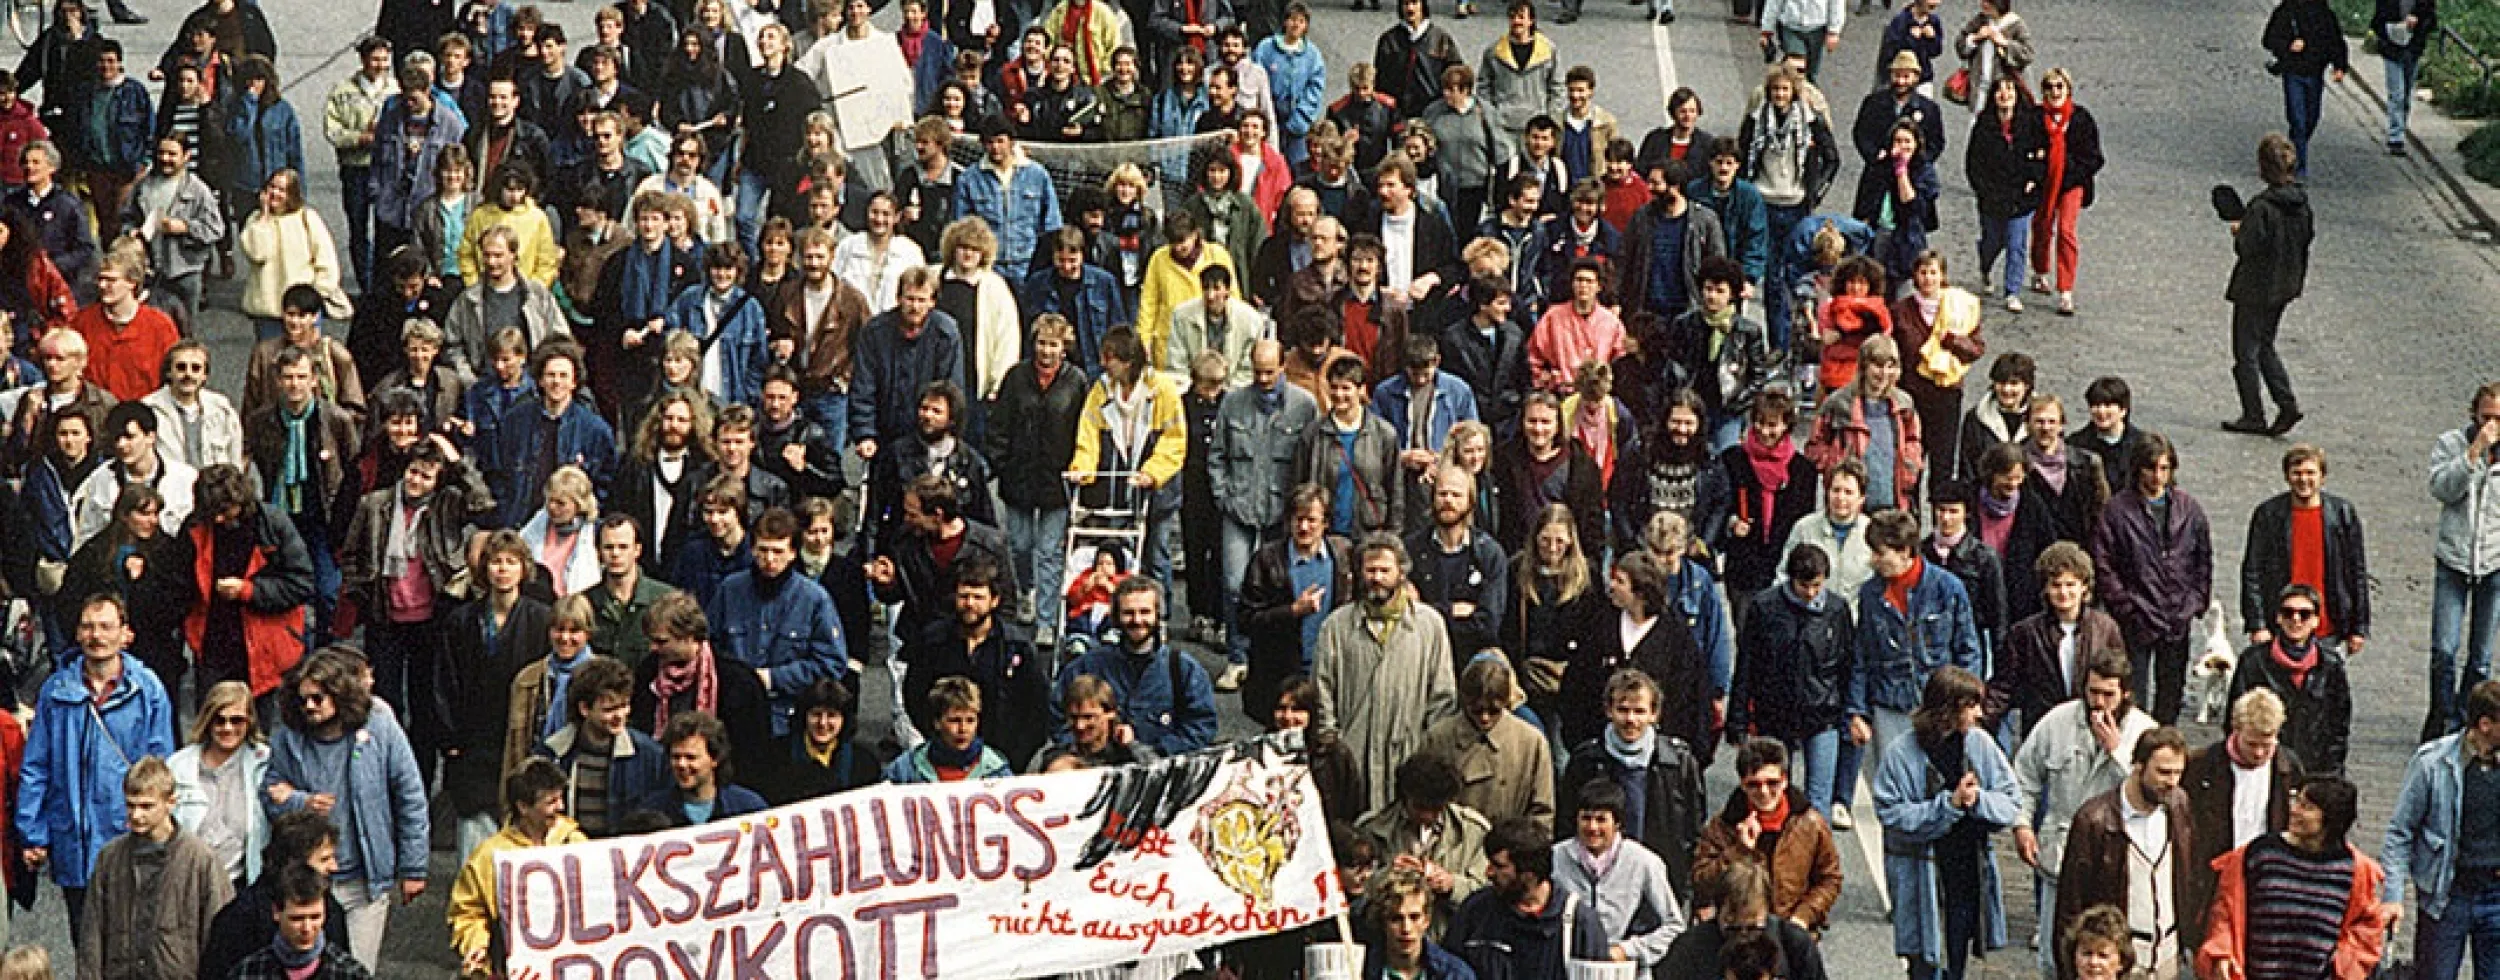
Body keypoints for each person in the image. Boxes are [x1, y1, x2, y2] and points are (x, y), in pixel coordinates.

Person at [18, 594, 175, 938]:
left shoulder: (147, 690)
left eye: (106, 626)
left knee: (131, 942)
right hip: (74, 841)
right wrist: (32, 833)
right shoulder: (56, 691)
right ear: (76, 633)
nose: (96, 636)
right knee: (85, 942)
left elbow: (162, 769)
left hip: (128, 838)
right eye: (88, 626)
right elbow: (36, 766)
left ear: (124, 634)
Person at [262, 646, 429, 967]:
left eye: (318, 698)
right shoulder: (289, 738)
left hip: (363, 880)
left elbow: (409, 796)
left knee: (356, 969)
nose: (308, 706)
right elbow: (270, 794)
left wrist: (414, 867)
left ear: (340, 695)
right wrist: (301, 802)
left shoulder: (379, 727)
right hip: (307, 880)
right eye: (302, 699)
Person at [1871, 667, 2017, 980]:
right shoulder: (1901, 754)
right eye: (1971, 706)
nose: (1979, 714)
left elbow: (2010, 801)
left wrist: (1977, 800)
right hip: (1922, 876)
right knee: (1925, 966)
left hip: (1966, 873)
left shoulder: (1980, 745)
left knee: (1956, 960)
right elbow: (1891, 814)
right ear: (1949, 710)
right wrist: (1947, 806)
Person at [1314, 533, 1458, 815]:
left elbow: (1443, 695)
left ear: (1401, 573)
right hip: (1353, 762)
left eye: (1384, 570)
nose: (1376, 577)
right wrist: (1333, 742)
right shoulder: (1336, 627)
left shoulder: (1429, 626)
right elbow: (1322, 689)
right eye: (1370, 570)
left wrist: (1427, 753)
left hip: (1408, 758)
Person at [2199, 774, 2389, 980]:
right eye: (2296, 800)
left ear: (2331, 819)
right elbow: (2225, 911)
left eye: (2306, 807)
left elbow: (2368, 927)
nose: (2294, 810)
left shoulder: (2354, 869)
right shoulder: (2259, 854)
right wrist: (2223, 953)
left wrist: (2343, 966)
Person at [2051, 725, 2195, 979]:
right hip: (2116, 960)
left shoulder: (2178, 804)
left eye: (2178, 773)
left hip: (2166, 956)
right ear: (2138, 766)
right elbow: (2070, 903)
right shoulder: (2094, 820)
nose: (2172, 782)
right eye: (2163, 773)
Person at [2089, 434, 2213, 726]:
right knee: (2135, 691)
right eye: (2151, 468)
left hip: (2176, 614)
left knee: (2171, 692)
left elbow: (2203, 559)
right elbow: (2104, 563)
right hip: (2137, 615)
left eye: (2164, 468)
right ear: (2138, 469)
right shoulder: (2118, 510)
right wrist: (2126, 605)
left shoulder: (2188, 508)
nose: (2157, 476)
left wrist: (2195, 601)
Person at [164, 462, 315, 700]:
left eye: (225, 511)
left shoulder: (272, 524)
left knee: (260, 728)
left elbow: (302, 583)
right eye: (213, 512)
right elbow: (178, 584)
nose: (219, 518)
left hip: (265, 650)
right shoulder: (196, 526)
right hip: (213, 646)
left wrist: (249, 591)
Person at [1556, 669, 1706, 903]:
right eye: (1623, 710)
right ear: (1609, 710)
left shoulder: (1679, 762)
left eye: (1639, 711)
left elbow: (1694, 830)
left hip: (1662, 879)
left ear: (1654, 714)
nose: (1631, 720)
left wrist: (1689, 888)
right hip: (1598, 882)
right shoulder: (1585, 760)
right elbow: (1566, 824)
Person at [1851, 508, 1983, 772]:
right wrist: (1857, 711)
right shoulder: (1869, 595)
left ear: (1904, 551)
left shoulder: (1948, 587)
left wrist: (1967, 702)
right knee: (1894, 785)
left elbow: (1968, 650)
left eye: (1880, 552)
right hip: (1890, 705)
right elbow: (1862, 656)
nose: (1873, 560)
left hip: (1940, 706)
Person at [77, 754, 228, 980]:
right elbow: (92, 936)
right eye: (130, 805)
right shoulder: (109, 858)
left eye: (147, 806)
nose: (136, 815)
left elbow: (219, 938)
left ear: (170, 803)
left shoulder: (201, 860)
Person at [1731, 545, 1856, 818]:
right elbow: (1747, 666)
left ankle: (1815, 855)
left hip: (1823, 713)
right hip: (1775, 713)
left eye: (1817, 586)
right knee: (1775, 796)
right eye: (1804, 586)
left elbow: (1848, 665)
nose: (1811, 594)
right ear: (1791, 579)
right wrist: (1738, 721)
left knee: (1818, 799)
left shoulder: (1836, 609)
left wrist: (1852, 712)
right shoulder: (1764, 607)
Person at [900, 558, 1049, 768]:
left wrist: (1014, 759)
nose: (970, 604)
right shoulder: (933, 641)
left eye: (978, 597)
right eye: (964, 596)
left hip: (1002, 761)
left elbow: (1037, 709)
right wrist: (937, 736)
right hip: (942, 757)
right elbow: (914, 695)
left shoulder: (1017, 647)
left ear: (994, 600)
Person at [446, 758, 583, 978]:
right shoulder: (489, 856)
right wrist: (476, 946)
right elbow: (468, 912)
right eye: (551, 802)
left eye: (560, 798)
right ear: (523, 807)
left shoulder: (575, 842)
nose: (561, 807)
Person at [1051, 577, 1218, 754]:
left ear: (1158, 614)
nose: (1137, 620)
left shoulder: (1184, 670)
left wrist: (1153, 751)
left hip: (1160, 772)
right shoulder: (1087, 666)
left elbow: (1201, 727)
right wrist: (1084, 746)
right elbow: (1057, 716)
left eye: (1145, 612)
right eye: (1128, 613)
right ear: (1115, 616)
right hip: (1096, 768)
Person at [1690, 738, 1843, 930]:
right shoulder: (1722, 827)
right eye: (1754, 784)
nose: (1764, 792)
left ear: (1785, 780)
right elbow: (1701, 882)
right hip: (1738, 931)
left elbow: (1830, 879)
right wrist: (1739, 851)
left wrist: (1803, 916)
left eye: (1772, 783)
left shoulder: (1810, 824)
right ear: (1742, 785)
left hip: (1790, 928)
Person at [2182, 688, 2306, 920]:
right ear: (2235, 731)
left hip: (2267, 876)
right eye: (2251, 744)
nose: (2259, 753)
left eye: (2267, 745)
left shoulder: (2288, 768)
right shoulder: (2203, 766)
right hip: (2214, 876)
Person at [2220, 133, 2314, 436]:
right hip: (2285, 286)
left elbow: (2247, 248)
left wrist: (2239, 230)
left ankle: (2253, 414)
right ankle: (2286, 404)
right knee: (2267, 345)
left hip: (2255, 287)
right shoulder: (2302, 205)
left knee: (2246, 349)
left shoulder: (2261, 207)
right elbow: (2307, 238)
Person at [1986, 541, 2128, 739]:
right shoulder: (2025, 633)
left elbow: (2119, 680)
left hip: (2090, 727)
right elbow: (2004, 685)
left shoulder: (2105, 628)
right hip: (2042, 728)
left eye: (2071, 585)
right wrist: (1982, 718)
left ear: (2084, 587)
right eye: (2056, 585)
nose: (2064, 593)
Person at [1444, 816, 1611, 978]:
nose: (1488, 873)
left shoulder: (1580, 925)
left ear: (1528, 873)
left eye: (1499, 866)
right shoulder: (1475, 912)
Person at [195, 810, 352, 980]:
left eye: (315, 917)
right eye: (324, 859)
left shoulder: (331, 910)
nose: (334, 867)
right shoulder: (239, 920)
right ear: (296, 862)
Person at [1550, 778, 1686, 972]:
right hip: (1566, 967)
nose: (1592, 828)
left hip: (1623, 969)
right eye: (1586, 818)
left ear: (1617, 823)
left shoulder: (1644, 862)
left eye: (1601, 819)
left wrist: (1628, 950)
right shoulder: (1555, 858)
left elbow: (1674, 926)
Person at [484, 341, 616, 530]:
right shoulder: (515, 420)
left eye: (564, 376)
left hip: (570, 529)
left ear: (574, 382)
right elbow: (497, 469)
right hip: (519, 522)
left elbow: (606, 483)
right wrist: (504, 510)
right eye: (551, 375)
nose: (557, 382)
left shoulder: (595, 429)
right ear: (540, 380)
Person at [2226, 584, 2352, 777]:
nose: (2296, 619)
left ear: (2316, 621)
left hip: (2314, 770)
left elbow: (2338, 727)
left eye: (2304, 614)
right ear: (2278, 617)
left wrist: (2330, 774)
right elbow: (2233, 720)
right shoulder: (2254, 661)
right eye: (2288, 612)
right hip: (2264, 769)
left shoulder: (2331, 666)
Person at [1421, 657, 1555, 832]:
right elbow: (1423, 801)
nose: (1484, 718)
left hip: (1512, 849)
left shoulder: (1531, 742)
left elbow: (1542, 813)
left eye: (1493, 711)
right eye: (1476, 710)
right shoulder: (1438, 738)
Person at [170, 681, 270, 889]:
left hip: (242, 883)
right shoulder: (178, 766)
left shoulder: (264, 763)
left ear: (249, 721)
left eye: (236, 721)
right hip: (188, 883)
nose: (227, 728)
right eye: (219, 720)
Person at [1964, 76, 2041, 314]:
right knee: (1993, 241)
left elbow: (2041, 156)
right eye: (1999, 90)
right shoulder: (1983, 127)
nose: (2004, 94)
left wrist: (2033, 179)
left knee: (2017, 243)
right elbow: (1973, 165)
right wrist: (1984, 191)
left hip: (2021, 196)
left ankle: (2012, 291)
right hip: (1992, 197)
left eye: (2009, 89)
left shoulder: (2029, 125)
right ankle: (1985, 265)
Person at [2028, 69, 2099, 317]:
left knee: (2067, 231)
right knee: (2042, 226)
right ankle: (2040, 270)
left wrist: (2070, 170)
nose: (2054, 92)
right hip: (2044, 182)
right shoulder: (2035, 118)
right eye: (2049, 87)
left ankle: (2066, 289)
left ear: (2068, 89)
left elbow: (2094, 158)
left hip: (2072, 182)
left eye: (2059, 86)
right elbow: (2027, 149)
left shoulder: (2081, 119)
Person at [70, 248, 176, 408]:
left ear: (132, 283)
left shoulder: (160, 326)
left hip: (145, 413)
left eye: (111, 280)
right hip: (94, 413)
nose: (102, 285)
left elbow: (172, 374)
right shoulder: (82, 322)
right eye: (100, 279)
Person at [226, 865, 372, 980]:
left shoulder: (350, 973)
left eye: (315, 917)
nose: (307, 928)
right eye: (297, 919)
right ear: (276, 912)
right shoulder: (246, 973)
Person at [631, 710, 767, 826]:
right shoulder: (651, 810)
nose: (682, 764)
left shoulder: (748, 808)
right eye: (676, 757)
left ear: (714, 759)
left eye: (691, 757)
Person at [2263, 0, 2349, 175]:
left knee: (2312, 117)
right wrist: (2288, 46)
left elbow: (2335, 42)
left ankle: (2293, 148)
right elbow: (2269, 39)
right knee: (2297, 119)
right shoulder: (2287, 10)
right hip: (2293, 72)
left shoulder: (2325, 14)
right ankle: (2298, 167)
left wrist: (2339, 66)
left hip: (2315, 73)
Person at [1366, 868, 1476, 979]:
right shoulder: (1360, 969)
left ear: (1427, 920)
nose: (1406, 929)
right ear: (1383, 921)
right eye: (1396, 918)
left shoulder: (1456, 974)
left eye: (1414, 917)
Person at [2378, 0, 2436, 154]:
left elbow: (2431, 17)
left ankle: (2400, 127)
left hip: (2413, 48)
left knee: (2406, 93)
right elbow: (2380, 17)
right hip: (2392, 47)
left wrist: (2418, 22)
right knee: (2396, 93)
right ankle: (2396, 136)